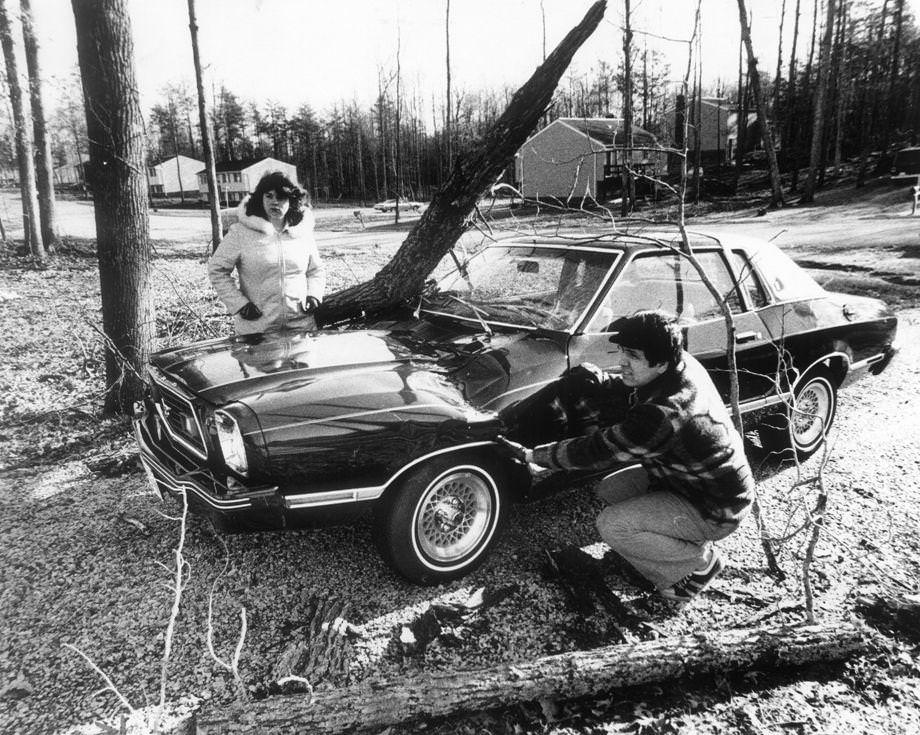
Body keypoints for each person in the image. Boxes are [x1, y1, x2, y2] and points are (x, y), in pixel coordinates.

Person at [501, 310, 754, 605]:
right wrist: (602, 381)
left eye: (632, 355)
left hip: (717, 508)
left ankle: (698, 564)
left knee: (613, 525)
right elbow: (634, 393)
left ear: (660, 363)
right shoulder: (682, 364)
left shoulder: (666, 414)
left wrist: (535, 455)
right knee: (611, 489)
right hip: (697, 482)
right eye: (621, 351)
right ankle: (673, 543)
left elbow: (599, 449)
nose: (622, 361)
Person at [208, 171, 326, 335]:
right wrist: (239, 304)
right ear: (260, 199)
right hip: (256, 329)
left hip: (301, 327)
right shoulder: (241, 233)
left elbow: (316, 270)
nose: (274, 202)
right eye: (269, 196)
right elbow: (217, 269)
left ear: (292, 201)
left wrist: (314, 295)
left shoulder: (302, 232)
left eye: (281, 197)